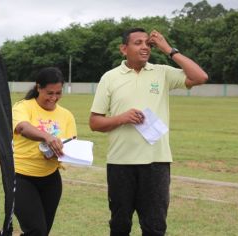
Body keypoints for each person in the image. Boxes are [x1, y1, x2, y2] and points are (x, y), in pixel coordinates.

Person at [89, 27, 208, 236]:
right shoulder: (110, 78)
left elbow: (200, 77)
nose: (145, 47)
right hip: (121, 163)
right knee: (120, 225)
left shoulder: (162, 73)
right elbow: (94, 122)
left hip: (156, 163)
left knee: (155, 227)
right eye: (138, 43)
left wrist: (168, 49)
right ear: (123, 49)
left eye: (148, 44)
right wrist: (121, 118)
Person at [12, 67, 77, 236]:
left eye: (58, 93)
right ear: (38, 87)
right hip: (21, 177)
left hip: (51, 180)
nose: (54, 98)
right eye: (49, 93)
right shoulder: (23, 107)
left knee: (42, 232)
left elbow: (70, 143)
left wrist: (61, 152)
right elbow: (22, 127)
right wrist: (47, 137)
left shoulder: (66, 115)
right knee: (36, 231)